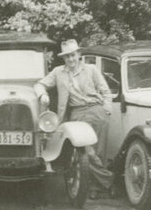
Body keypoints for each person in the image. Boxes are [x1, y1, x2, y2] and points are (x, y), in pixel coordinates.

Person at [34, 39, 114, 198]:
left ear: (79, 55)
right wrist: (42, 95)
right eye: (67, 57)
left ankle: (94, 188)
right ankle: (109, 182)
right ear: (63, 58)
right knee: (86, 151)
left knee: (99, 152)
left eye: (73, 55)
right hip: (77, 114)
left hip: (97, 111)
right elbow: (39, 85)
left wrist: (107, 107)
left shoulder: (91, 69)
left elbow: (105, 90)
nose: (70, 59)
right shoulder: (58, 72)